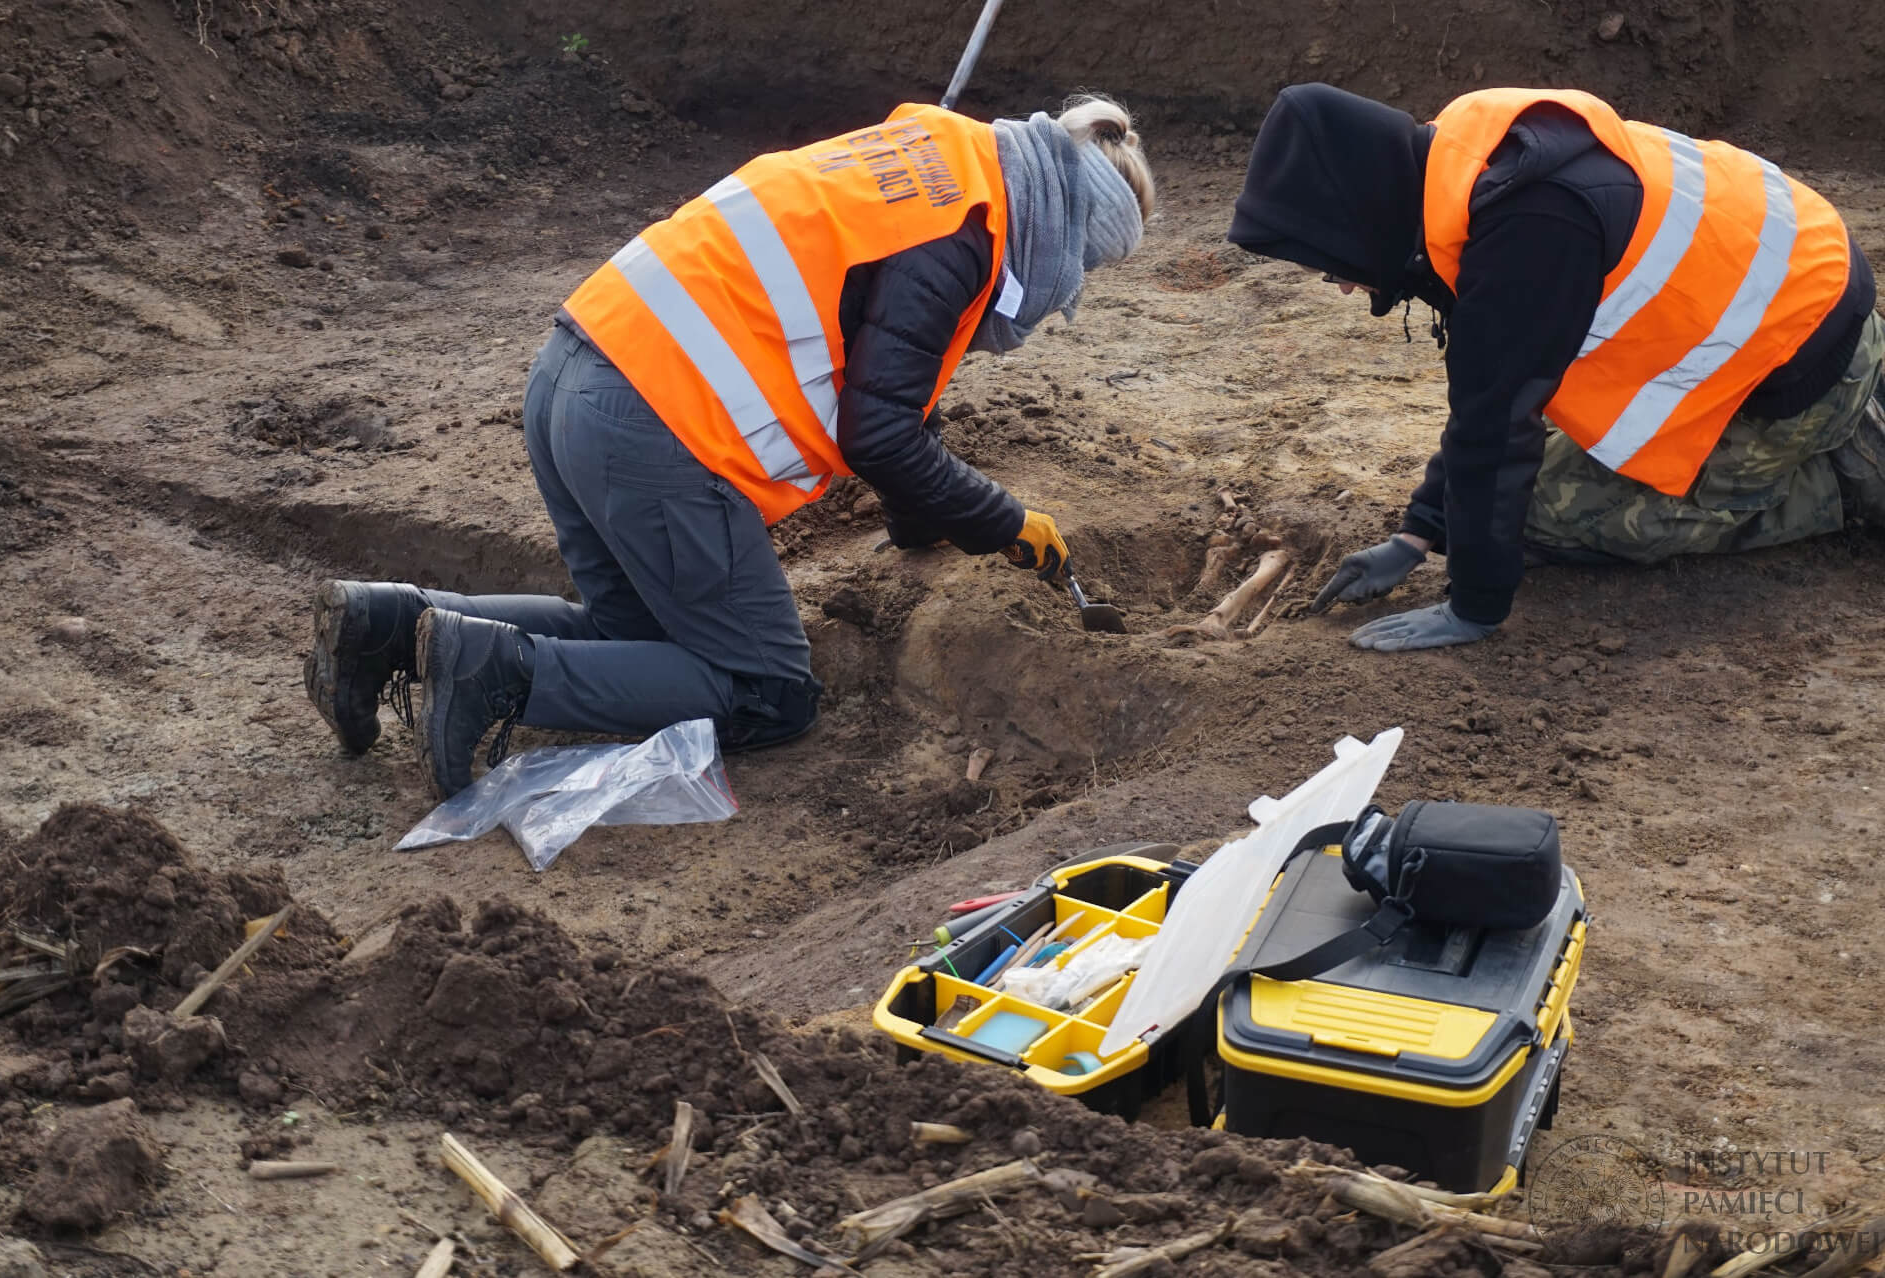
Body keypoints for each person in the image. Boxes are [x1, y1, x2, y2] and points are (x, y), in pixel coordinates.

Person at [304, 95, 1156, 797]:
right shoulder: (963, 240)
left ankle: (388, 623)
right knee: (768, 694)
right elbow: (879, 431)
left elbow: (886, 379)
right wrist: (1000, 520)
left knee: (632, 636)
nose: (1061, 299)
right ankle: (498, 673)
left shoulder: (939, 163)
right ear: (1068, 233)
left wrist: (926, 520)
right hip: (654, 426)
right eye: (1082, 273)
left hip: (573, 370)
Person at [1226, 84, 1885, 651]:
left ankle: (1833, 484)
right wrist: (1420, 531)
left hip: (1793, 373)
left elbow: (1496, 422)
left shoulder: (1529, 228)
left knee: (1547, 517)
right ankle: (1854, 416)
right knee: (1503, 500)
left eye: (1327, 258)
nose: (1339, 284)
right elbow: (1489, 392)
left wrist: (1474, 608)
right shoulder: (1467, 161)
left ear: (1356, 213)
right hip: (1799, 300)